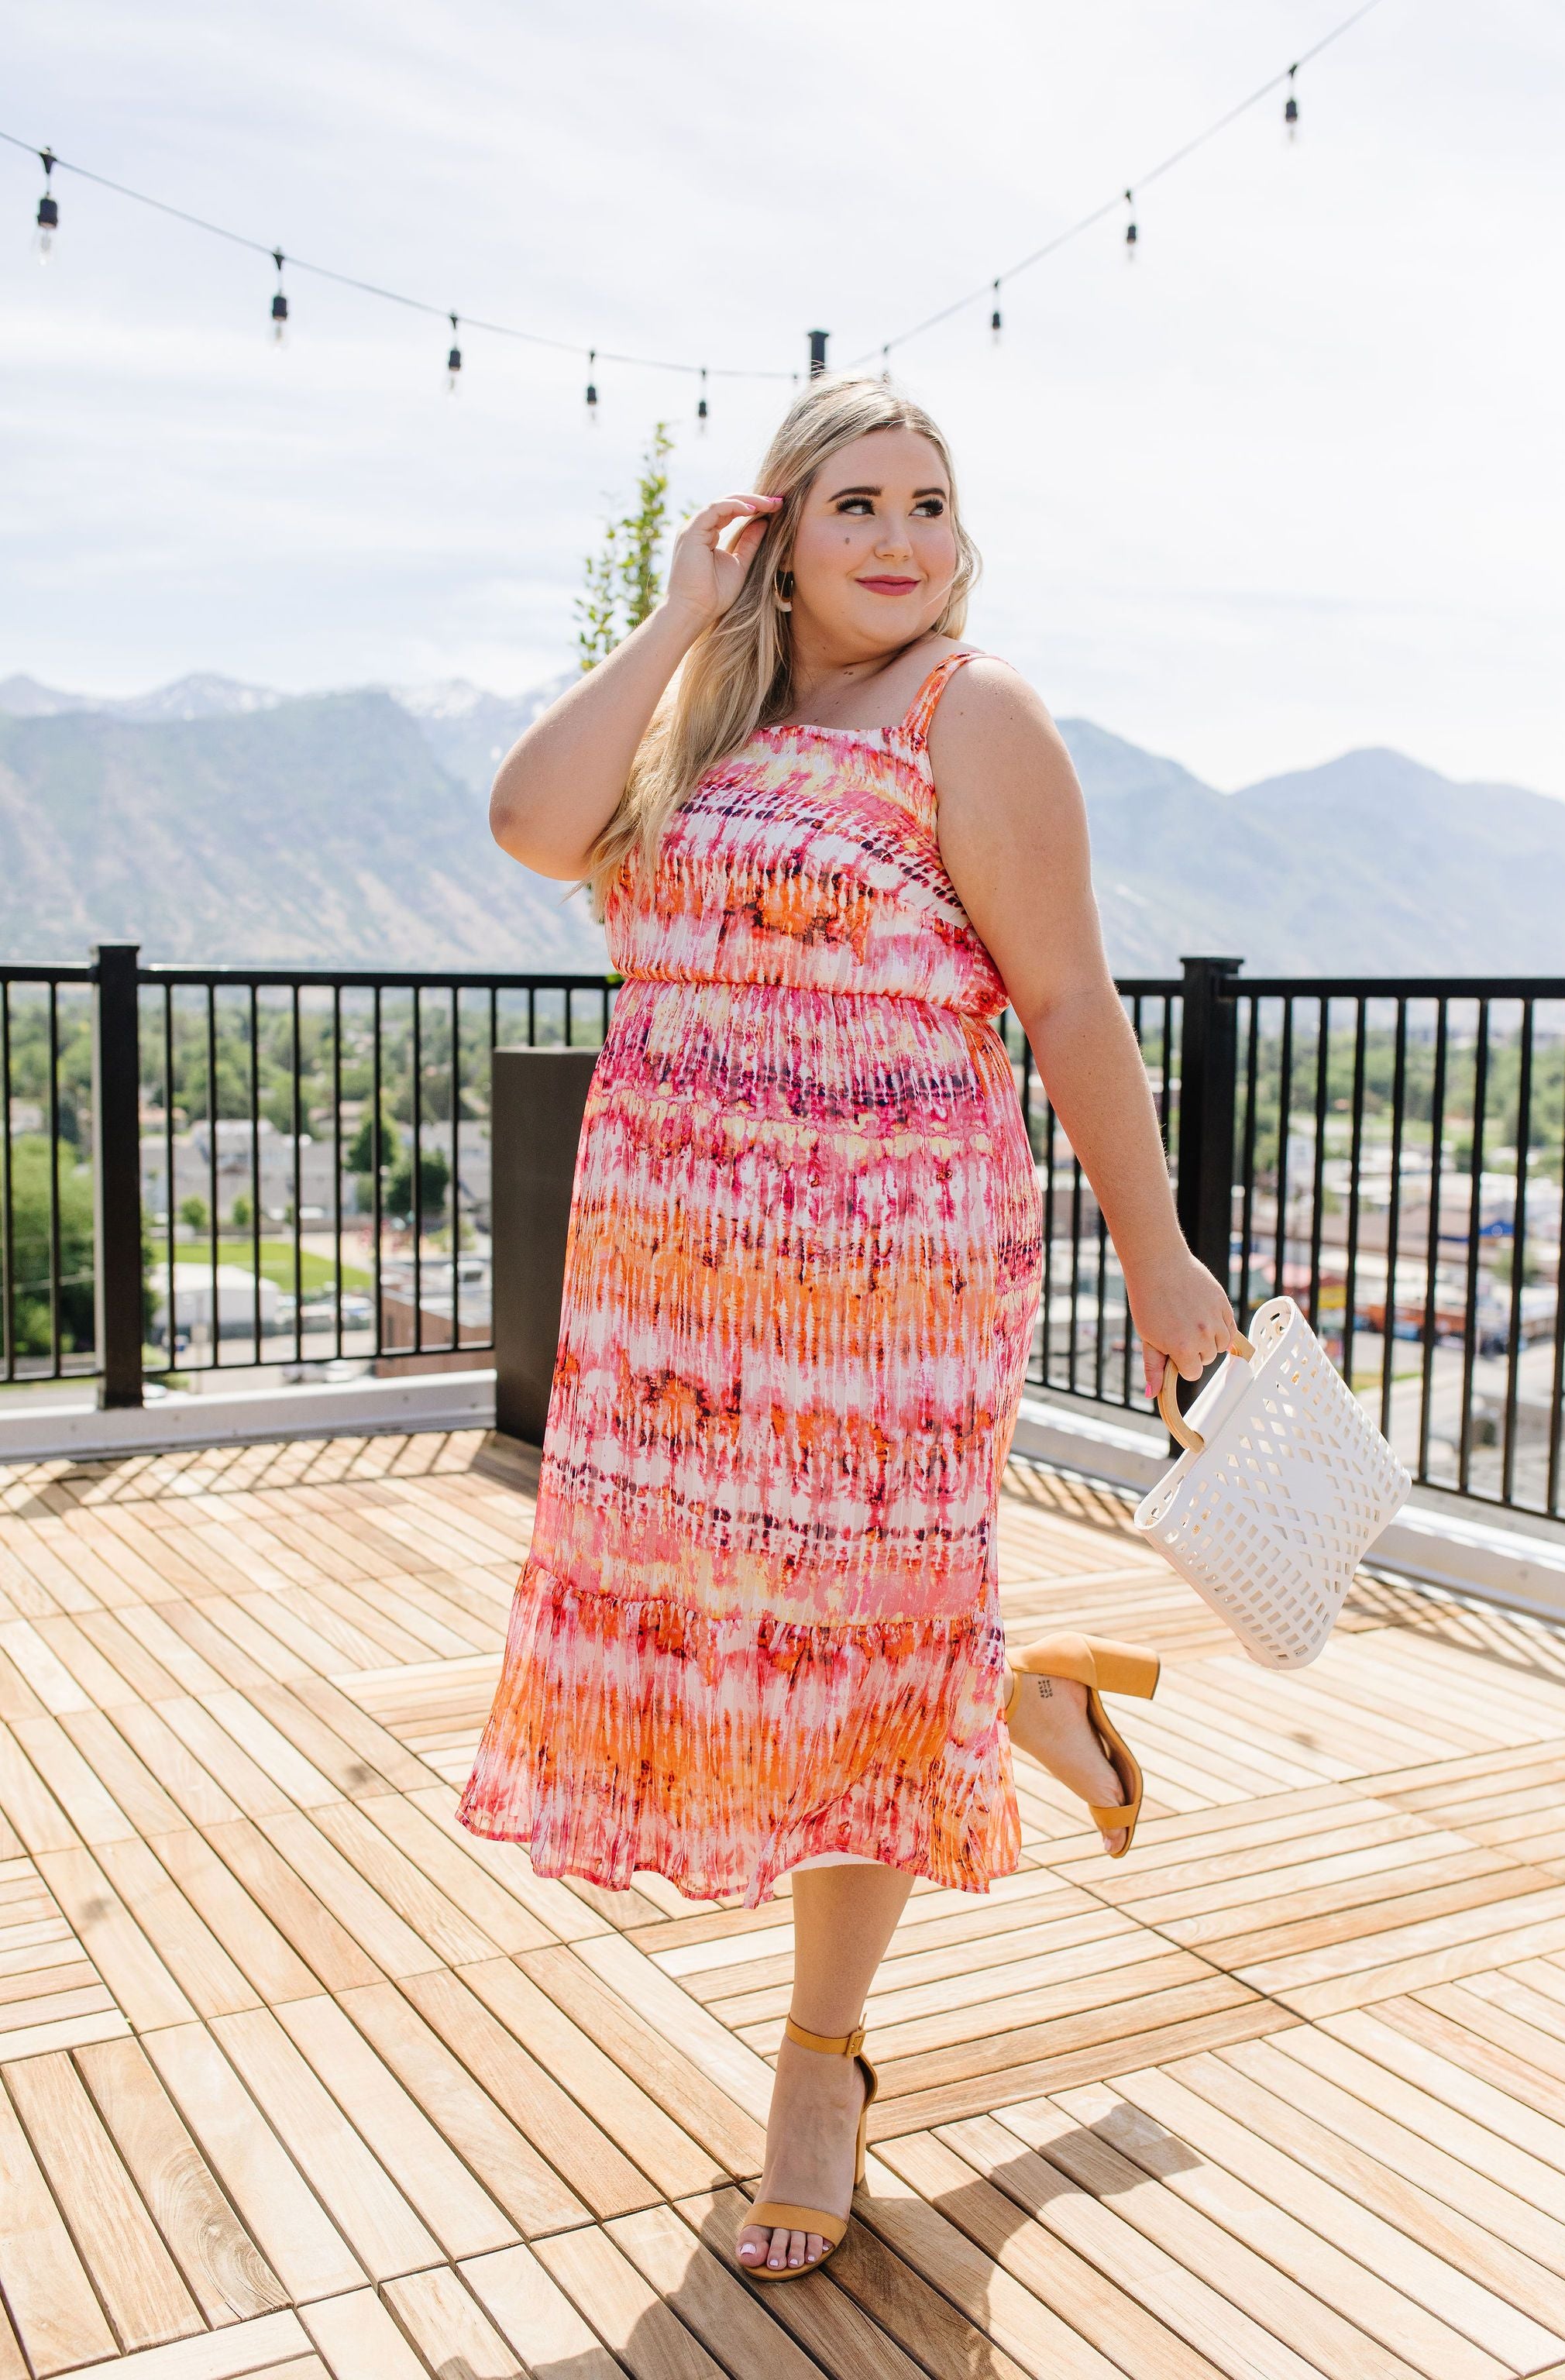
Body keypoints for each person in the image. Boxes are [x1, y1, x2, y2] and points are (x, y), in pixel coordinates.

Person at [459, 373, 1234, 2282]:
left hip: (884, 1275)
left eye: (931, 501)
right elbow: (531, 824)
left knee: (858, 1646)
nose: (901, 535)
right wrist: (675, 618)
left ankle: (817, 2067)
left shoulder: (981, 719)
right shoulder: (710, 714)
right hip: (677, 1284)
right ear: (779, 536)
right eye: (857, 504)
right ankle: (1019, 1690)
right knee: (772, 1629)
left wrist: (1159, 1257)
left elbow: (1063, 1003)